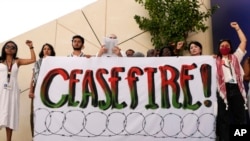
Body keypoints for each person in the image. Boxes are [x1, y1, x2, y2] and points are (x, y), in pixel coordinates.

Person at [215, 22, 248, 141]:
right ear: (219, 48)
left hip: (236, 89)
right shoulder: (214, 61)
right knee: (223, 118)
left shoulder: (236, 57)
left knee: (240, 117)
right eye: (222, 45)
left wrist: (238, 29)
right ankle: (225, 139)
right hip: (223, 91)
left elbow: (244, 42)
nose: (224, 47)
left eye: (227, 45)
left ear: (230, 47)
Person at [0, 40, 36, 141]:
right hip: (1, 90)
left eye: (13, 47)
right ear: (4, 48)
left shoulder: (18, 61)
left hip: (13, 90)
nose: (10, 48)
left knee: (10, 114)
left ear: (15, 50)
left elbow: (33, 59)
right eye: (8, 46)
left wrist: (31, 47)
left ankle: (8, 140)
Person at [28, 43, 56, 137]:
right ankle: (35, 136)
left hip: (51, 90)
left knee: (50, 113)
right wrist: (31, 91)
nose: (46, 50)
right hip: (37, 90)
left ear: (52, 51)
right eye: (44, 49)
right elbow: (32, 78)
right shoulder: (37, 63)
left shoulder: (56, 62)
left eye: (49, 49)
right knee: (35, 113)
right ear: (42, 51)